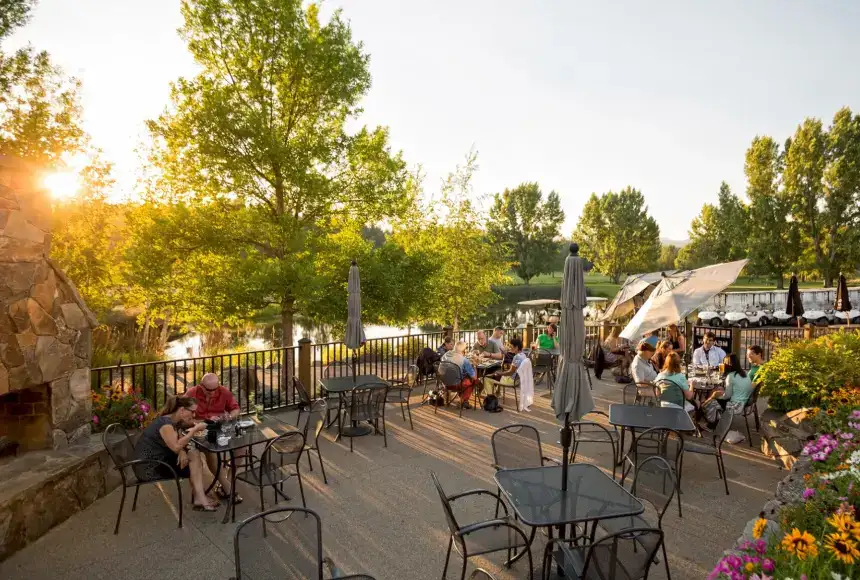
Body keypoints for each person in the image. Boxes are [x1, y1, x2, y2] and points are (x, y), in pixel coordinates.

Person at [133, 396, 219, 511]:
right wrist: (194, 430)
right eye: (192, 412)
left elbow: (178, 442)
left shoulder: (174, 421)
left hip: (160, 461)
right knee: (194, 458)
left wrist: (182, 452)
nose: (194, 415)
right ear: (182, 410)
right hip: (149, 468)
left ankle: (200, 497)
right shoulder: (165, 424)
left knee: (194, 455)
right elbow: (176, 446)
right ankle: (200, 498)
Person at [183, 373, 243, 503]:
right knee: (212, 452)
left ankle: (228, 480)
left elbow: (236, 409)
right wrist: (205, 421)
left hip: (219, 430)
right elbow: (183, 419)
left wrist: (230, 416)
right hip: (198, 431)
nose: (212, 392)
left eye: (215, 389)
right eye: (209, 390)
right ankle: (228, 488)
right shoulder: (191, 393)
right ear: (201, 386)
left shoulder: (223, 392)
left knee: (241, 447)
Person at [483, 338, 532, 411]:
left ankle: (491, 403)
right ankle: (495, 396)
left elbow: (510, 372)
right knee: (494, 374)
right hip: (518, 379)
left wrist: (500, 373)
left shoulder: (516, 357)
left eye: (511, 347)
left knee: (486, 378)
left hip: (510, 380)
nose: (510, 349)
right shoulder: (524, 355)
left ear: (516, 347)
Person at [441, 341, 477, 409]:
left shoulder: (446, 355)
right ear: (463, 350)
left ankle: (461, 399)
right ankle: (463, 401)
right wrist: (475, 366)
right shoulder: (464, 360)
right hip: (456, 385)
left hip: (444, 383)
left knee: (464, 377)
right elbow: (474, 377)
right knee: (474, 380)